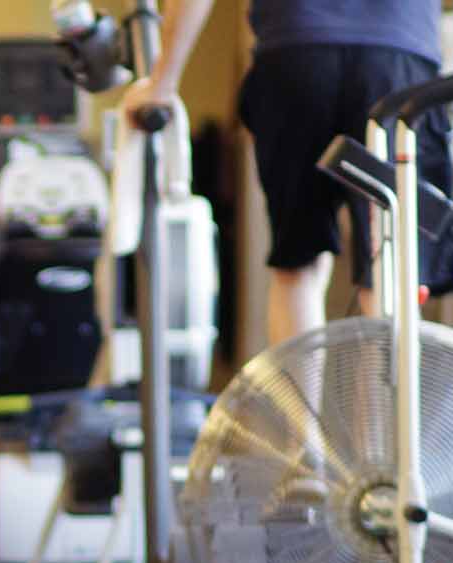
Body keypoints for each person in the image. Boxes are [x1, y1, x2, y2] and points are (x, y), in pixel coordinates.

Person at [121, 0, 451, 347]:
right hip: (398, 56)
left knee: (298, 265)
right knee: (389, 272)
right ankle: (388, 403)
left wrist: (162, 84)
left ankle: (301, 403)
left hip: (296, 54)